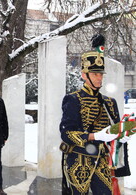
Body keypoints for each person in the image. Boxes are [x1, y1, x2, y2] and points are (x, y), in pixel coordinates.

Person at [59, 34, 130, 195]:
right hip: (79, 161)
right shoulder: (73, 99)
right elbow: (66, 134)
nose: (99, 78)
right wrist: (95, 136)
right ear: (85, 75)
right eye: (95, 74)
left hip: (103, 162)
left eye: (101, 74)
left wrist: (121, 136)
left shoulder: (110, 102)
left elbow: (115, 130)